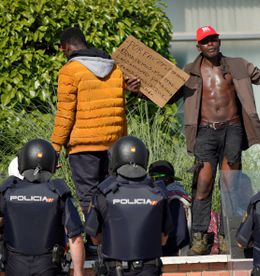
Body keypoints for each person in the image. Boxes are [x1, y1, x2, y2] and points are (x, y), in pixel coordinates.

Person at [168, 25, 260, 255]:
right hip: (205, 132)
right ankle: (199, 238)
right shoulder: (189, 72)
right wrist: (137, 90)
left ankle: (228, 236)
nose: (211, 43)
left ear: (219, 41)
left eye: (214, 39)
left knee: (230, 184)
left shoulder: (237, 65)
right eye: (206, 41)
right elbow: (165, 95)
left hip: (232, 128)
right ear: (198, 46)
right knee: (203, 184)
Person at [50, 27, 141, 217]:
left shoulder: (70, 70)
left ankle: (94, 244)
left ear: (66, 47)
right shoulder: (115, 68)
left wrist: (55, 148)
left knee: (88, 196)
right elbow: (120, 110)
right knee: (110, 194)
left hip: (84, 148)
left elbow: (65, 114)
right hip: (113, 146)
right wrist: (122, 141)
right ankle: (113, 240)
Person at [85, 136, 173, 276]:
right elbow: (163, 239)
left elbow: (95, 239)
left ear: (115, 158)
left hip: (115, 269)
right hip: (149, 269)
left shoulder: (104, 192)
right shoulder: (158, 192)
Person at [0, 139, 85, 276]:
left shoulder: (8, 191)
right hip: (48, 266)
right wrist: (79, 272)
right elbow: (76, 238)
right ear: (51, 163)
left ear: (23, 160)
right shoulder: (58, 192)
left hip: (14, 266)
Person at [149, 160, 191, 256]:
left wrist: (158, 248)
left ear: (166, 179)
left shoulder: (174, 199)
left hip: (173, 256)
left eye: (153, 178)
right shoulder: (173, 195)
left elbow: (179, 235)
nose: (151, 182)